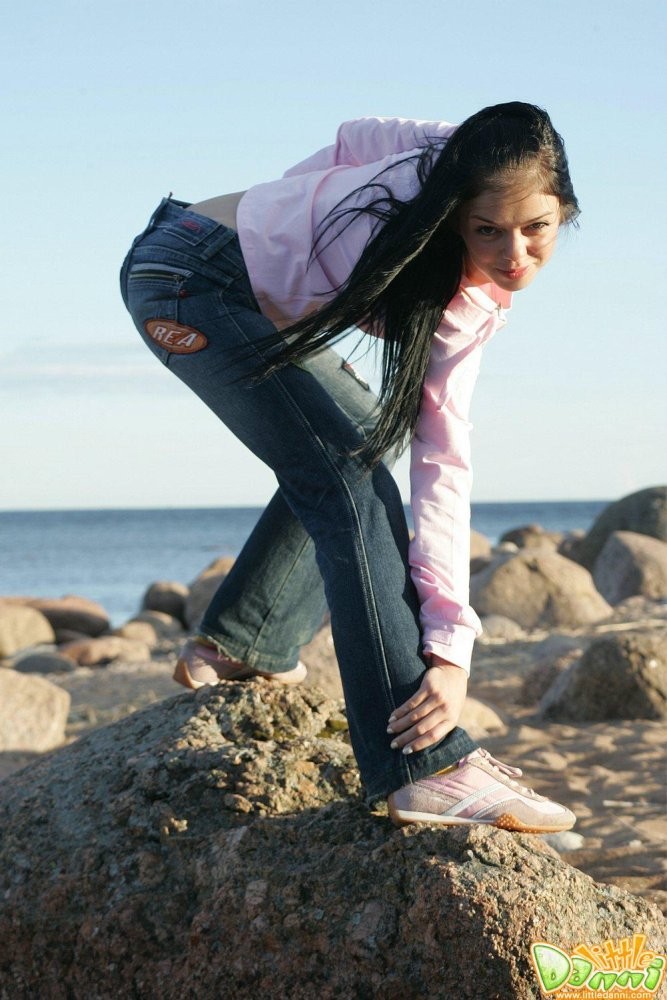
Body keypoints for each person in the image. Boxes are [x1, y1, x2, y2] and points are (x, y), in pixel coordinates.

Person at [120, 102, 579, 833]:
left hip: (219, 267)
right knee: (349, 485)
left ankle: (243, 641)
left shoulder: (454, 211)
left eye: (536, 229)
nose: (513, 254)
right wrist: (444, 656)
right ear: (458, 213)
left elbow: (443, 465)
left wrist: (450, 649)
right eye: (487, 230)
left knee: (367, 439)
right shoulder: (441, 206)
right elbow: (349, 142)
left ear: (564, 210)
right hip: (189, 279)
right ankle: (416, 767)